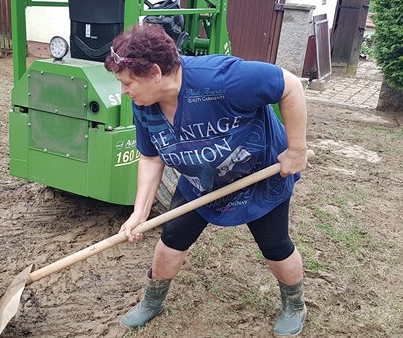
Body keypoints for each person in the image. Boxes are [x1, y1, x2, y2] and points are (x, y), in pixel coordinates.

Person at [104, 24, 309, 336]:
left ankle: (295, 304)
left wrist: (296, 149)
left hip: (258, 174)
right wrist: (139, 212)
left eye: (128, 82)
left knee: (274, 245)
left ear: (156, 72)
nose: (124, 90)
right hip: (201, 178)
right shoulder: (144, 105)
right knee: (172, 240)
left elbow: (290, 85)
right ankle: (152, 300)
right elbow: (151, 156)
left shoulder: (222, 79)